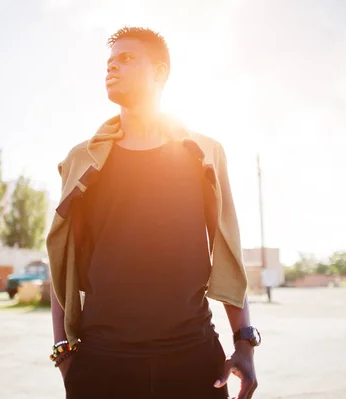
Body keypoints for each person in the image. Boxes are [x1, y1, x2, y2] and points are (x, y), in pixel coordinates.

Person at [47, 26, 261, 399]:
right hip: (102, 359)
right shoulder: (83, 160)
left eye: (127, 59)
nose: (112, 68)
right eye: (109, 63)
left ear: (160, 72)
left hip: (192, 357)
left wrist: (244, 342)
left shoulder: (204, 153)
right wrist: (64, 353)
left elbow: (227, 248)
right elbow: (61, 260)